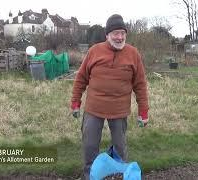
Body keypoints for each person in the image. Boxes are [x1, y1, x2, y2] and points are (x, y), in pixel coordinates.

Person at [70, 14, 149, 180]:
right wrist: (75, 102)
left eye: (122, 33)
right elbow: (81, 78)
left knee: (120, 148)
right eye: (115, 33)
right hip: (94, 108)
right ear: (107, 35)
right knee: (90, 145)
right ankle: (90, 175)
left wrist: (143, 112)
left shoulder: (133, 54)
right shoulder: (94, 51)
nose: (119, 37)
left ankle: (118, 175)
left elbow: (140, 85)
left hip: (119, 111)